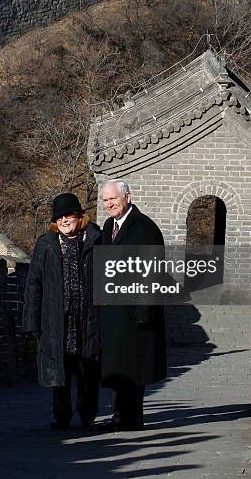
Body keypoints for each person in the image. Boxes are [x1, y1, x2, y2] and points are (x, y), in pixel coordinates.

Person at [23, 192, 101, 429]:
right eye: (59, 217)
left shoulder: (96, 239)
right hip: (57, 317)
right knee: (60, 366)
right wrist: (31, 322)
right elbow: (34, 284)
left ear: (79, 216)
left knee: (88, 367)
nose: (64, 220)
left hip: (87, 316)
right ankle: (62, 414)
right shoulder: (45, 245)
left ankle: (88, 414)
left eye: (68, 215)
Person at [99, 179, 166, 430]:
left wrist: (143, 310)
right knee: (117, 364)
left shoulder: (144, 229)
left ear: (128, 197)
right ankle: (119, 414)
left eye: (113, 199)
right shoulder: (109, 227)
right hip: (113, 309)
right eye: (105, 200)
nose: (109, 204)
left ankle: (131, 417)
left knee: (134, 366)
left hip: (135, 310)